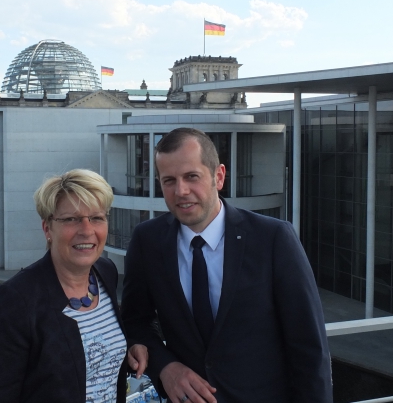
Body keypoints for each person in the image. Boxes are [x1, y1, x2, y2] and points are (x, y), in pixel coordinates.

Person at [121, 128, 333, 403]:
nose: (181, 191)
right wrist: (166, 367)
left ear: (218, 176)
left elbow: (309, 347)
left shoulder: (273, 238)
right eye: (169, 180)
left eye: (191, 177)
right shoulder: (147, 240)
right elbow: (134, 321)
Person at [0, 169, 148, 402]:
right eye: (71, 219)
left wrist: (127, 347)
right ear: (48, 228)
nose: (87, 231)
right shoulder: (13, 301)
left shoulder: (105, 273)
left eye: (96, 218)